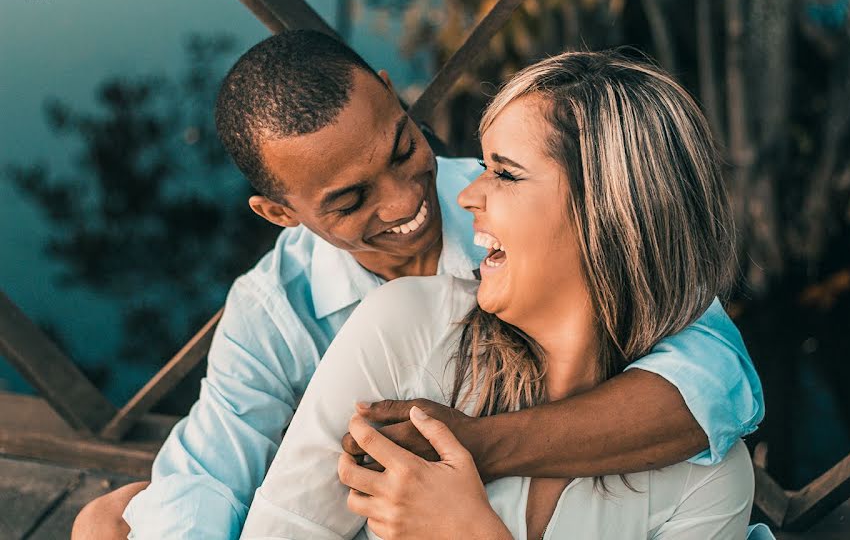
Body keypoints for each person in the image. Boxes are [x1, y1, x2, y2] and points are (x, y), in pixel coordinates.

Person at [71, 32, 763, 540]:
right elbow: (215, 472)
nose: (408, 201)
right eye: (349, 200)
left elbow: (717, 382)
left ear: (391, 95)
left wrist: (471, 454)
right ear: (282, 215)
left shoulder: (531, 207)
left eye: (405, 148)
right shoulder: (285, 309)